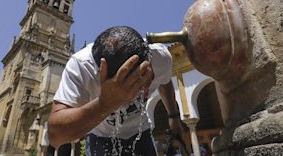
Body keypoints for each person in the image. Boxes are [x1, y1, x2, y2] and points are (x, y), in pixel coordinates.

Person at [48, 26, 184, 155]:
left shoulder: (160, 58)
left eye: (140, 85)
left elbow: (165, 82)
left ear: (148, 66)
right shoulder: (81, 67)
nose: (145, 94)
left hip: (141, 131)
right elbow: (55, 135)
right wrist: (104, 104)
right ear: (101, 74)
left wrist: (174, 116)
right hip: (100, 135)